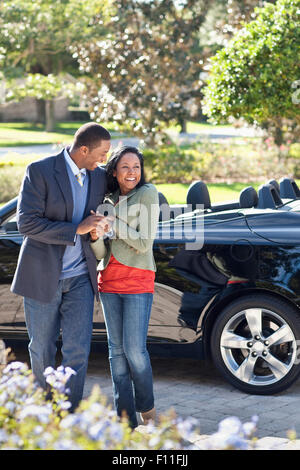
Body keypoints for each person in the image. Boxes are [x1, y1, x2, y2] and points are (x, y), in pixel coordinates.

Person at [11, 122, 111, 411]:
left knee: (77, 351)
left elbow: (124, 188)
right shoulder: (40, 171)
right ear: (83, 149)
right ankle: (44, 411)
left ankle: (69, 413)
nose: (104, 159)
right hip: (42, 275)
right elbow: (26, 223)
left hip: (81, 277)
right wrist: (76, 229)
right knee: (41, 348)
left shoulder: (99, 177)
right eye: (102, 153)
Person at [90, 146, 159, 428]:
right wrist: (96, 234)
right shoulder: (108, 200)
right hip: (108, 281)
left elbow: (144, 243)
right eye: (125, 167)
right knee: (116, 353)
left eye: (136, 167)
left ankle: (147, 406)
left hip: (138, 281)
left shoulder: (148, 194)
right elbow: (99, 253)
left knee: (135, 351)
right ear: (115, 172)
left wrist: (112, 224)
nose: (132, 172)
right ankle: (124, 418)